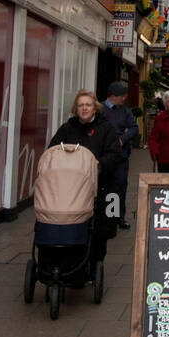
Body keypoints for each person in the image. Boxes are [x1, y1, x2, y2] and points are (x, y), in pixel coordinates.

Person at [49, 91, 124, 269]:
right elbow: (53, 150)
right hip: (70, 188)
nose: (84, 108)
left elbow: (115, 154)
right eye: (81, 105)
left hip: (99, 186)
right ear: (76, 108)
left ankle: (94, 263)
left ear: (95, 108)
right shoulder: (67, 129)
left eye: (88, 105)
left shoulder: (105, 128)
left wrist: (99, 164)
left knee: (99, 229)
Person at [102, 80, 139, 230]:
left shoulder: (125, 110)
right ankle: (106, 215)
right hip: (104, 155)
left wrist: (122, 139)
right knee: (105, 185)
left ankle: (119, 217)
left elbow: (134, 128)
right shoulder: (101, 109)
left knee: (120, 185)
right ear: (114, 96)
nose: (124, 98)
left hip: (121, 155)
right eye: (122, 96)